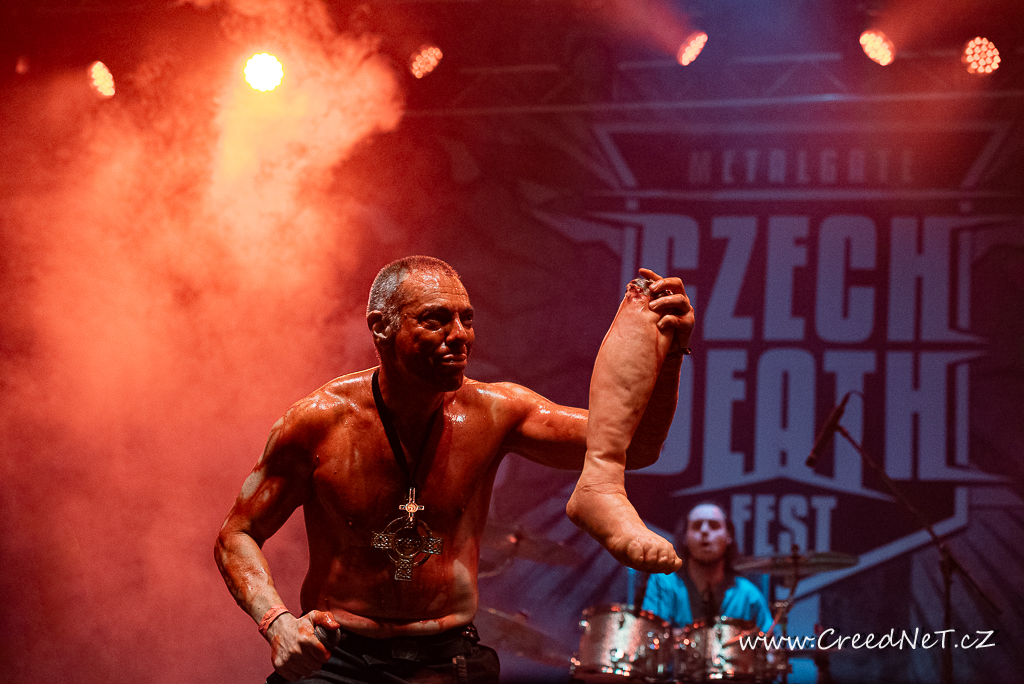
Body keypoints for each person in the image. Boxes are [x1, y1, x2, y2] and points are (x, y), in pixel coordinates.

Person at [215, 255, 695, 683]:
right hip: (337, 659)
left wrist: (670, 352)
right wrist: (277, 623)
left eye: (466, 319)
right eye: (436, 320)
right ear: (380, 327)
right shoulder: (318, 423)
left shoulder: (496, 412)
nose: (460, 335)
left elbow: (636, 448)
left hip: (448, 661)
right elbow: (237, 534)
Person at [642, 502, 773, 633]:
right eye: (697, 526)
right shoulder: (663, 584)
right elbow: (649, 635)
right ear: (685, 537)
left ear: (728, 536)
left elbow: (771, 642)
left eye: (714, 526)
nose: (704, 531)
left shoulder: (748, 595)